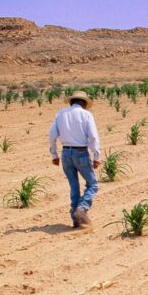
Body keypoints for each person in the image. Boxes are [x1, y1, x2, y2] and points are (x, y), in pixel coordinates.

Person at [49, 90, 101, 228]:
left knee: (74, 187)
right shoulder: (86, 115)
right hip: (81, 152)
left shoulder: (60, 114)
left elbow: (52, 134)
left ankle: (76, 219)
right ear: (84, 103)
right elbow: (93, 137)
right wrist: (96, 156)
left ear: (71, 102)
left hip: (66, 153)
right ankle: (82, 209)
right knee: (93, 184)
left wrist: (54, 155)